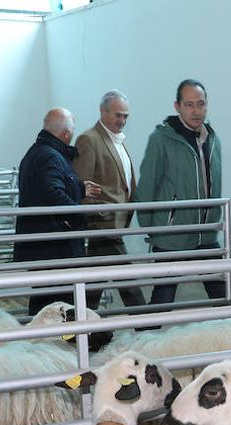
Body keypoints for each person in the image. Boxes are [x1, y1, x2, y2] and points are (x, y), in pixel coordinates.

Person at [135, 79, 223, 305]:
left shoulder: (212, 139)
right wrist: (155, 231)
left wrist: (214, 219)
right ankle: (148, 337)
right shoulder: (161, 140)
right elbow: (146, 187)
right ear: (178, 107)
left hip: (206, 233)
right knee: (164, 296)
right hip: (173, 235)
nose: (196, 111)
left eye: (201, 104)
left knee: (222, 293)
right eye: (189, 104)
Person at [16, 108, 102, 316]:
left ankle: (46, 340)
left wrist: (80, 188)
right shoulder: (51, 157)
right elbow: (52, 194)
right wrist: (79, 215)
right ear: (66, 134)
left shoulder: (37, 152)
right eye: (72, 129)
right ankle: (62, 341)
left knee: (46, 299)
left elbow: (47, 187)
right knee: (57, 302)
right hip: (53, 245)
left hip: (42, 244)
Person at [73, 90, 146, 309]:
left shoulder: (118, 141)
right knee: (127, 280)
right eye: (118, 115)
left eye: (126, 116)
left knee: (94, 287)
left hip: (114, 224)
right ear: (102, 112)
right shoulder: (89, 140)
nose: (122, 120)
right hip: (103, 225)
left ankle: (74, 331)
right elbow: (81, 185)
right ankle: (148, 324)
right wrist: (98, 215)